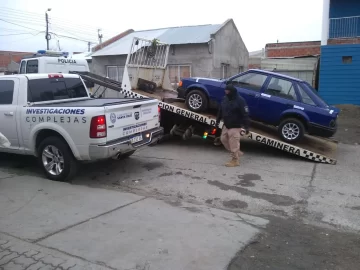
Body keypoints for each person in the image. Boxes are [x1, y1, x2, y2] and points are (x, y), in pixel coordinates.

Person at [215, 84, 250, 167]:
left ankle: (235, 160)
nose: (226, 92)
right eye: (225, 91)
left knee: (233, 143)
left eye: (228, 91)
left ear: (232, 92)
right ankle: (237, 152)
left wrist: (246, 127)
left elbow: (245, 114)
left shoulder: (240, 100)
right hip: (226, 124)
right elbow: (220, 110)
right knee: (223, 139)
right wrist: (217, 121)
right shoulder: (225, 99)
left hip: (236, 126)